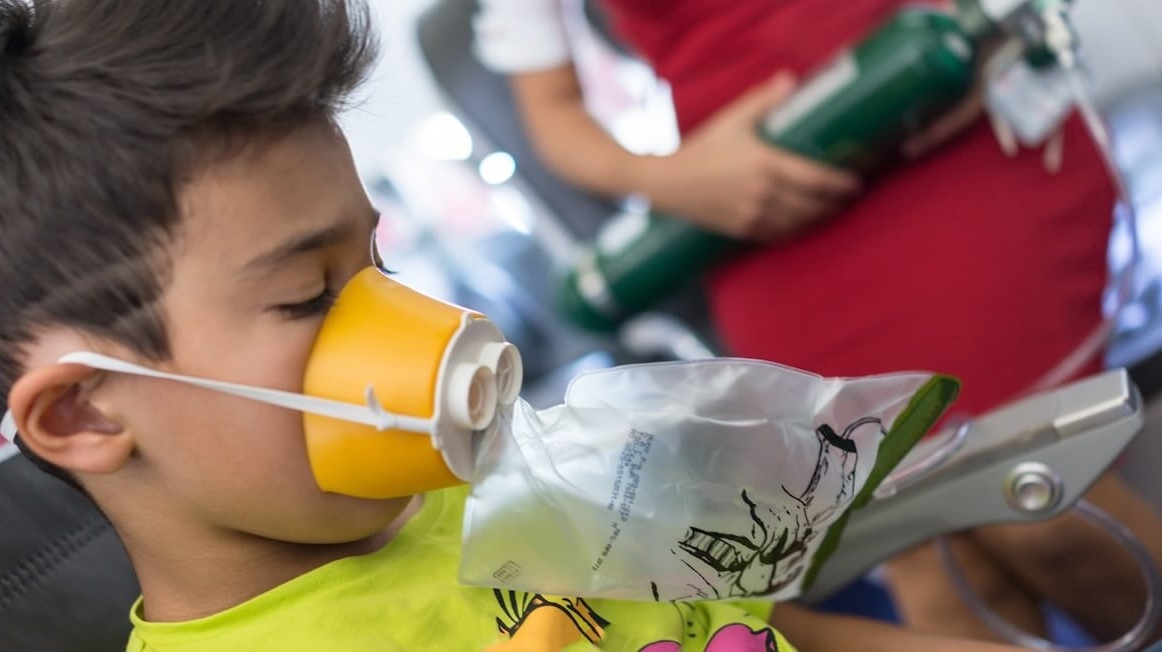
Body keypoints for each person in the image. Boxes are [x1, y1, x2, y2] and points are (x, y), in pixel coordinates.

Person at [0, 0, 1051, 650]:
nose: (422, 326)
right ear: (84, 409)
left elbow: (770, 619)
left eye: (375, 260)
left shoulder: (470, 491)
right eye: (307, 297)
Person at [474, 0, 1162, 643]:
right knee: (919, 546)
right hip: (751, 201)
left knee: (1038, 503)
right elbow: (550, 107)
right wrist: (675, 179)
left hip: (933, 100)